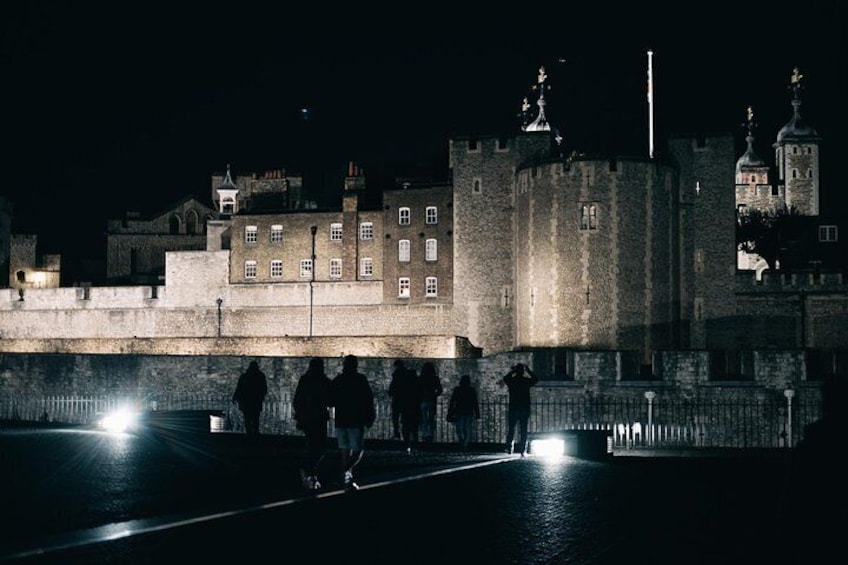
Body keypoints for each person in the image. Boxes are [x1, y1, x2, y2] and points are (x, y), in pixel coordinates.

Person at [329, 354, 375, 491]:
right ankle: (345, 473)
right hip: (356, 419)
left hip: (342, 419)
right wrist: (369, 416)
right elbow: (368, 399)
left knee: (345, 450)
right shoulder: (360, 380)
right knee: (357, 449)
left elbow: (331, 399)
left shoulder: (338, 380)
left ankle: (347, 479)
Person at [293, 358, 332, 491]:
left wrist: (299, 413)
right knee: (321, 446)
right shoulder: (323, 380)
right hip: (318, 417)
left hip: (308, 417)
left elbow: (297, 399)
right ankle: (310, 470)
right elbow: (331, 398)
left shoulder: (305, 379)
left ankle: (310, 471)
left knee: (312, 445)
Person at [502, 362, 538, 455]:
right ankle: (523, 450)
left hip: (514, 407)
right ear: (523, 372)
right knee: (523, 430)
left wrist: (512, 371)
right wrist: (528, 370)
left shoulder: (512, 381)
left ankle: (509, 448)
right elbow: (535, 379)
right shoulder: (525, 381)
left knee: (511, 429)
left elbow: (505, 378)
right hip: (524, 407)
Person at [388, 359, 420, 452]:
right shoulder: (409, 376)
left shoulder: (397, 375)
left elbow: (392, 388)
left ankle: (398, 434)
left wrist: (391, 392)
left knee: (398, 419)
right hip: (408, 403)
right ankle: (413, 443)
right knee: (410, 425)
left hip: (399, 400)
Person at [231, 360, 268, 435]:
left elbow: (239, 388)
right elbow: (264, 388)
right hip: (256, 401)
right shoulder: (260, 376)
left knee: (247, 418)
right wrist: (261, 397)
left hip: (246, 401)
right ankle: (255, 432)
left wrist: (236, 397)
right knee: (255, 417)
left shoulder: (245, 376)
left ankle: (249, 433)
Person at [448, 374, 480, 451]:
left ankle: (462, 441)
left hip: (460, 411)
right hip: (467, 411)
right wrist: (477, 413)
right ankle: (465, 443)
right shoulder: (471, 390)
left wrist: (450, 412)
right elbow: (475, 403)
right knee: (466, 428)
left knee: (459, 428)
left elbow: (452, 401)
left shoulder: (458, 389)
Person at [418, 361, 443, 443]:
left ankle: (424, 434)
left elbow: (417, 389)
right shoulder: (435, 378)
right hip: (432, 401)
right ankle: (430, 434)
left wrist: (421, 395)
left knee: (424, 418)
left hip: (422, 400)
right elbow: (440, 390)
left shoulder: (421, 378)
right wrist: (434, 395)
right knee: (431, 419)